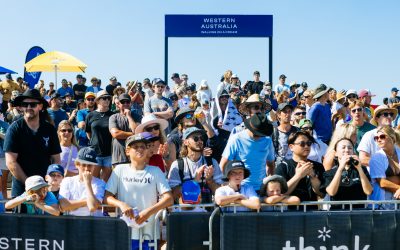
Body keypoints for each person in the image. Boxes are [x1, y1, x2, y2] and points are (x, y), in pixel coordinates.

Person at [104, 133, 173, 250]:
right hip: (126, 231)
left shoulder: (155, 171)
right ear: (127, 151)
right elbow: (107, 197)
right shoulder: (119, 170)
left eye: (143, 146)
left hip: (150, 232)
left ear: (147, 150)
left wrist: (148, 212)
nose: (140, 149)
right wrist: (122, 204)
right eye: (135, 147)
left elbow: (169, 199)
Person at [4, 89, 61, 200]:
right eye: (25, 104)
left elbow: (56, 160)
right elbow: (10, 162)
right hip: (22, 190)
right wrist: (31, 186)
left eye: (33, 104)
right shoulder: (14, 129)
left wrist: (50, 182)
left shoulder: (49, 129)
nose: (29, 107)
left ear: (40, 106)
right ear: (21, 107)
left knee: (48, 218)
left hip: (46, 190)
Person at [220, 113, 274, 192]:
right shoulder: (236, 139)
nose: (260, 136)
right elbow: (223, 165)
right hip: (240, 189)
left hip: (261, 188)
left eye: (262, 134)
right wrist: (229, 184)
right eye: (257, 134)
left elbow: (271, 165)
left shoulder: (267, 140)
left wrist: (270, 184)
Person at [168, 127, 223, 202]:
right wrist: (195, 181)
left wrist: (209, 180)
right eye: (196, 138)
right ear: (186, 142)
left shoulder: (212, 162)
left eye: (201, 138)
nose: (200, 141)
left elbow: (220, 193)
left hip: (207, 211)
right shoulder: (178, 165)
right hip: (185, 212)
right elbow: (174, 195)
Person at [321, 138, 372, 209]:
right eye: (343, 147)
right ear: (336, 153)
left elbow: (368, 191)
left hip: (359, 212)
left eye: (350, 148)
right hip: (338, 213)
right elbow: (331, 192)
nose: (347, 150)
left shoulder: (361, 169)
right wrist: (340, 168)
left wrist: (359, 169)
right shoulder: (330, 172)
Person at [275, 131, 324, 203]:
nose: (306, 146)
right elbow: (280, 193)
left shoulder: (317, 166)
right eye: (302, 144)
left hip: (312, 212)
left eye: (309, 143)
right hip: (289, 212)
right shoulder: (283, 167)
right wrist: (298, 176)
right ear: (291, 147)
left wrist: (313, 176)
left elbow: (322, 194)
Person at [59, 147, 105, 216]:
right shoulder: (67, 181)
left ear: (94, 166)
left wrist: (88, 183)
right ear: (77, 165)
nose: (86, 168)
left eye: (89, 165)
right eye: (83, 165)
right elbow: (63, 206)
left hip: (93, 223)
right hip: (72, 222)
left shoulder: (100, 183)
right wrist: (86, 201)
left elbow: (92, 207)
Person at [85, 90, 114, 181]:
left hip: (109, 153)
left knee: (106, 183)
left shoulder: (113, 115)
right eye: (104, 98)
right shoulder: (90, 115)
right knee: (94, 182)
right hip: (95, 153)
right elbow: (89, 133)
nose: (107, 100)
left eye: (108, 98)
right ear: (97, 101)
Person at [369, 126, 400, 209]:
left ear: (392, 138)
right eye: (376, 138)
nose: (379, 140)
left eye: (382, 137)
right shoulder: (376, 157)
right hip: (381, 205)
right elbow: (382, 182)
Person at [109, 93, 141, 166]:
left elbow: (136, 130)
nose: (126, 104)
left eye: (128, 102)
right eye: (123, 102)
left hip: (134, 156)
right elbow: (115, 134)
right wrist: (133, 134)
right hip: (119, 157)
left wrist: (129, 116)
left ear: (131, 103)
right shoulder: (113, 117)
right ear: (118, 104)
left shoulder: (137, 116)